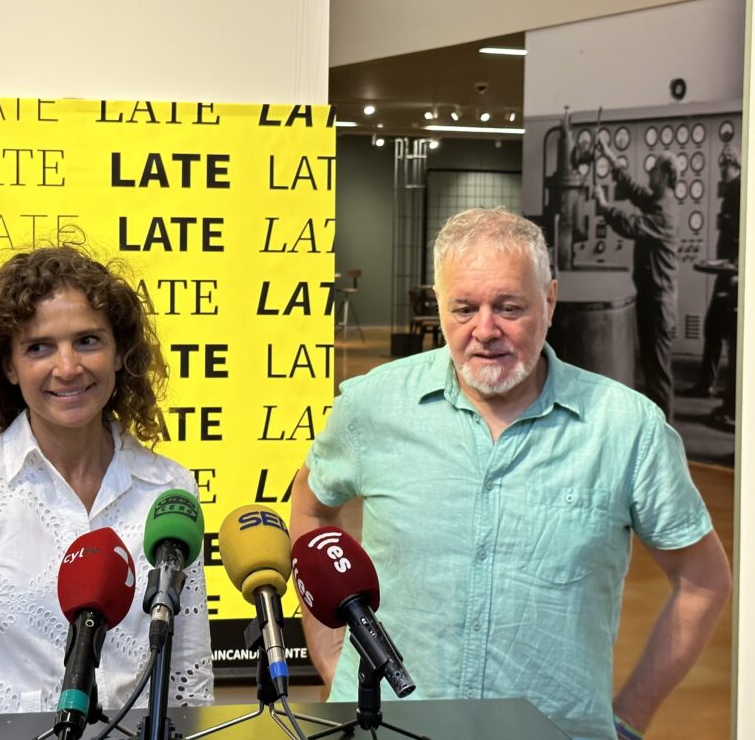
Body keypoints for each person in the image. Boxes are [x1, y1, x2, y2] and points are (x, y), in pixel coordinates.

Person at [290, 208, 731, 740]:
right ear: (438, 302)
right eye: (463, 308)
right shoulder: (373, 406)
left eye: (508, 307)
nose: (485, 330)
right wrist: (335, 659)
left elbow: (703, 580)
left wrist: (628, 720)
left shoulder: (626, 428)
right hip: (391, 728)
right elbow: (311, 509)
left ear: (549, 299)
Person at [0, 244, 214, 716]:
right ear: (8, 367)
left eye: (87, 341)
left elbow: (187, 681)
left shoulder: (170, 491)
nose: (67, 367)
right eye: (39, 347)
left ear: (120, 353)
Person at [594, 143, 678, 420]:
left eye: (652, 169)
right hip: (651, 296)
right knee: (652, 368)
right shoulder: (659, 200)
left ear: (664, 175)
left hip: (658, 300)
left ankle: (665, 432)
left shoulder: (663, 211)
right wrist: (609, 156)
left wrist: (606, 208)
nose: (649, 174)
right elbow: (634, 191)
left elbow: (632, 226)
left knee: (658, 372)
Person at [683, 145, 741, 424]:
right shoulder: (731, 190)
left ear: (737, 166)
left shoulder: (740, 189)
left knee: (731, 340)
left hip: (733, 279)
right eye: (721, 165)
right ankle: (707, 384)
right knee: (713, 328)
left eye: (726, 165)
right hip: (726, 273)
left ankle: (730, 407)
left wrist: (736, 266)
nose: (722, 170)